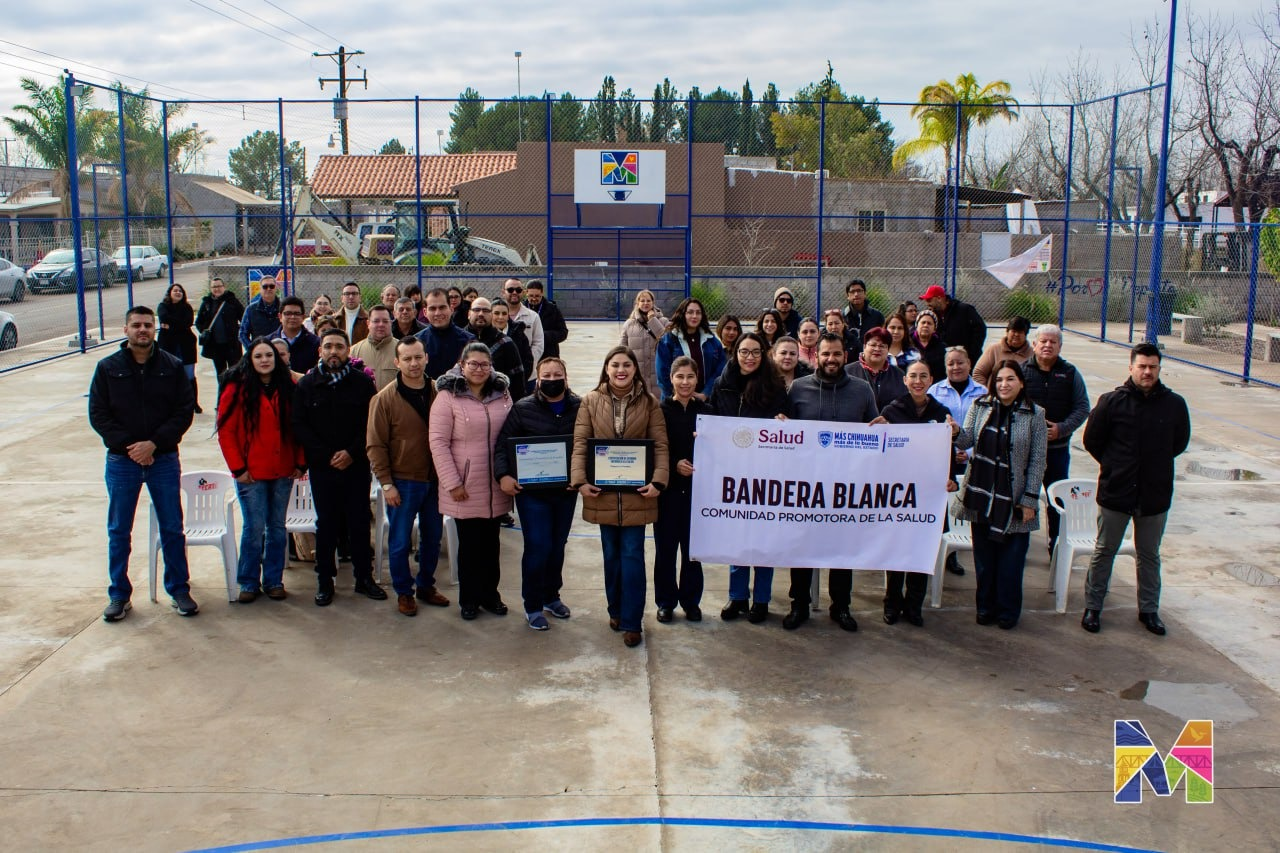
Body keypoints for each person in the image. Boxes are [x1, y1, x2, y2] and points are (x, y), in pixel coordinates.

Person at [89, 306, 198, 621]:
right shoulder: (107, 368)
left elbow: (184, 410)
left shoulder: (173, 366)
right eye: (136, 325)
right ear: (125, 330)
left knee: (172, 528)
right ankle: (119, 595)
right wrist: (131, 447)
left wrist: (154, 444)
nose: (142, 330)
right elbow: (99, 414)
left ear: (155, 329)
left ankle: (179, 589)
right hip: (122, 461)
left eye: (147, 325)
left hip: (163, 458)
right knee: (119, 530)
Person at [1081, 343, 1191, 636]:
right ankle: (1093, 607)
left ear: (1159, 369)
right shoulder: (1111, 402)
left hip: (1154, 494)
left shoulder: (1174, 405)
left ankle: (1149, 610)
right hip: (1116, 492)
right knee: (1105, 550)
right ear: (1131, 368)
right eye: (1141, 366)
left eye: (1152, 367)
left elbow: (1179, 443)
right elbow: (1092, 440)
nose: (1147, 372)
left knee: (1149, 554)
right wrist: (1116, 466)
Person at [571, 346, 670, 648]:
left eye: (626, 364)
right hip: (602, 493)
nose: (620, 370)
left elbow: (661, 445)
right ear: (606, 369)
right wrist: (579, 481)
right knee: (611, 557)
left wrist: (658, 482)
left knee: (631, 556)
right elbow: (580, 443)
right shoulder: (589, 401)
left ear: (635, 369)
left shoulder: (650, 403)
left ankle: (631, 620)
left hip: (637, 496)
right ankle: (615, 610)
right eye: (615, 365)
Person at [783, 332, 878, 632]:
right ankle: (799, 605)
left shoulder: (862, 390)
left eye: (836, 354)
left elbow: (875, 433)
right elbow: (785, 434)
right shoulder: (798, 388)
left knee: (841, 549)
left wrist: (884, 429)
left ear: (845, 356)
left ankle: (841, 607)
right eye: (826, 354)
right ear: (816, 355)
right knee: (801, 548)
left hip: (845, 487)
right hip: (806, 485)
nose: (831, 359)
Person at [292, 328, 386, 607]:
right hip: (323, 468)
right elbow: (300, 425)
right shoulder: (307, 385)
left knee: (358, 523)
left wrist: (350, 453)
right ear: (320, 350)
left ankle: (363, 579)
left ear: (348, 351)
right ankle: (324, 581)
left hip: (356, 467)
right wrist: (326, 455)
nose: (334, 351)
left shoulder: (361, 384)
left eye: (339, 347)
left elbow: (370, 425)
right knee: (327, 525)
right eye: (328, 346)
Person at [953, 361, 1048, 630]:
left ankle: (1007, 610)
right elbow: (966, 441)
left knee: (1011, 563)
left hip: (1015, 500)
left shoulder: (1035, 414)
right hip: (981, 495)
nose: (1004, 385)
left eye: (1010, 379)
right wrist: (956, 431)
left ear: (1020, 382)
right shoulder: (980, 406)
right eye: (999, 380)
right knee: (984, 561)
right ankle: (985, 607)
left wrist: (1030, 498)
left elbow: (1038, 459)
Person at [709, 331, 793, 623]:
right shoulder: (723, 384)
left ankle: (761, 600)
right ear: (736, 354)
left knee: (763, 540)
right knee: (737, 539)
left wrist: (784, 421)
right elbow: (713, 417)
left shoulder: (775, 386)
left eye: (755, 352)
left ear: (764, 354)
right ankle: (738, 597)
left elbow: (789, 422)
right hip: (733, 474)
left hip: (766, 474)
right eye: (744, 352)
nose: (749, 357)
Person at [366, 335, 451, 618]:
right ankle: (404, 591)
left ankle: (426, 584)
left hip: (435, 479)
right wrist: (386, 483)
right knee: (400, 540)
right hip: (403, 480)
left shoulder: (440, 392)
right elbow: (375, 445)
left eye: (418, 357)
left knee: (432, 537)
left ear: (426, 358)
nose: (414, 363)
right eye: (407, 359)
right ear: (397, 362)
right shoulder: (384, 399)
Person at [494, 357, 581, 630]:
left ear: (566, 378)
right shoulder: (522, 408)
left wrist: (581, 477)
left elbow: (588, 445)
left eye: (557, 374)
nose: (552, 379)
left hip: (566, 491)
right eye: (547, 375)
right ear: (538, 378)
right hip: (532, 493)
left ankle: (551, 596)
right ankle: (532, 605)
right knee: (537, 547)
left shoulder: (581, 407)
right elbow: (501, 446)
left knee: (557, 546)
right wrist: (504, 475)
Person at [429, 342, 514, 620]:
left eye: (485, 364)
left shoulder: (502, 393)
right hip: (465, 484)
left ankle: (491, 595)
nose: (479, 369)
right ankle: (469, 599)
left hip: (496, 482)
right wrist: (453, 482)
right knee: (469, 545)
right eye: (473, 364)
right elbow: (438, 442)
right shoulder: (447, 396)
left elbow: (512, 433)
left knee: (492, 543)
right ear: (462, 365)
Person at [216, 338, 305, 603]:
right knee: (254, 528)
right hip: (250, 473)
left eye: (269, 355)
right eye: (258, 356)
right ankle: (248, 581)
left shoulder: (289, 386)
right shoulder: (236, 387)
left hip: (283, 470)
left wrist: (300, 462)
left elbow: (299, 427)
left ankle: (274, 580)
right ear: (250, 360)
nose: (265, 360)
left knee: (277, 527)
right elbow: (226, 432)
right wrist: (238, 468)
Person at [874, 360, 957, 627]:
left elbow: (947, 451)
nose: (918, 381)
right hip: (898, 495)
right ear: (905, 380)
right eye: (913, 376)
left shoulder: (941, 412)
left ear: (931, 379)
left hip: (928, 496)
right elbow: (879, 453)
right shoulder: (892, 410)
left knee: (921, 553)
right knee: (897, 552)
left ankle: (914, 606)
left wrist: (951, 478)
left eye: (923, 376)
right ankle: (892, 604)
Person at [1022, 324, 1089, 558]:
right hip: (1026, 453)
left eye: (1053, 342)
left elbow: (1082, 408)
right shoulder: (1022, 371)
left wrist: (1061, 429)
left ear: (1060, 346)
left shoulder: (1070, 373)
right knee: (1023, 499)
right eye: (1044, 341)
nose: (1048, 345)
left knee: (1057, 501)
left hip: (1057, 451)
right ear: (1035, 344)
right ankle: (1019, 547)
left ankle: (1057, 549)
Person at [653, 356, 711, 624]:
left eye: (690, 377)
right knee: (666, 550)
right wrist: (673, 464)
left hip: (698, 493)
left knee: (693, 551)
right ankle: (665, 602)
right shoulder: (660, 411)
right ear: (671, 379)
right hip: (669, 493)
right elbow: (653, 448)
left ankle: (691, 601)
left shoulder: (707, 411)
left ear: (696, 379)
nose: (685, 382)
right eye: (680, 377)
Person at [655, 297, 727, 401]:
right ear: (683, 314)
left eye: (698, 313)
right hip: (675, 402)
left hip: (705, 402)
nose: (694, 316)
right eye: (690, 312)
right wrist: (679, 396)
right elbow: (662, 374)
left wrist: (705, 393)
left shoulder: (712, 341)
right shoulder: (668, 340)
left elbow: (720, 370)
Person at [464, 297, 526, 401]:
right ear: (469, 314)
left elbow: (517, 382)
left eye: (485, 310)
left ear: (491, 315)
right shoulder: (458, 340)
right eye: (476, 310)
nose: (480, 314)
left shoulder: (506, 343)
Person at [196, 277, 245, 392]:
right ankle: (223, 398)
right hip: (216, 346)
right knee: (220, 373)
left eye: (219, 286)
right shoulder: (207, 303)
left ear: (224, 287)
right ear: (211, 289)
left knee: (236, 372)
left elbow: (243, 317)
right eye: (214, 287)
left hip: (232, 345)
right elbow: (199, 322)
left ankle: (236, 396)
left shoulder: (232, 301)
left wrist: (240, 332)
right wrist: (204, 331)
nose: (217, 289)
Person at [157, 283, 200, 413]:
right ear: (169, 293)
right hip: (168, 345)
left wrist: (171, 325)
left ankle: (194, 403)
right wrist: (179, 325)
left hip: (185, 346)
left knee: (189, 376)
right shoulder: (163, 306)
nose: (178, 293)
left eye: (180, 291)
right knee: (168, 376)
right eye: (175, 290)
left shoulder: (187, 307)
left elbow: (188, 322)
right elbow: (164, 318)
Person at [416, 288, 475, 380]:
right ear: (425, 312)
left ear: (451, 309)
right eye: (432, 308)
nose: (437, 313)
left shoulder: (468, 341)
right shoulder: (417, 341)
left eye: (442, 307)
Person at [919, 284, 986, 365]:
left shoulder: (964, 309)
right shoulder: (933, 315)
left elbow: (980, 330)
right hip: (945, 362)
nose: (927, 303)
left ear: (939, 298)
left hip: (968, 361)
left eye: (929, 300)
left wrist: (971, 354)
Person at [845, 326, 906, 411]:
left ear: (888, 349)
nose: (877, 349)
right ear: (864, 347)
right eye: (873, 345)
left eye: (882, 346)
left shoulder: (899, 375)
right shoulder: (847, 372)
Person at [619, 289, 668, 393]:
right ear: (637, 303)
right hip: (637, 374)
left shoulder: (663, 321)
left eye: (648, 301)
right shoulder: (629, 324)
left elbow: (666, 341)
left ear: (653, 303)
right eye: (642, 301)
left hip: (658, 374)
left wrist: (652, 320)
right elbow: (622, 350)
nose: (646, 303)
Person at [974, 316, 1033, 388]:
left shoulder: (1033, 354)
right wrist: (986, 393)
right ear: (1007, 332)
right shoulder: (994, 349)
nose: (1016, 335)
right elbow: (978, 373)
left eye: (1020, 332)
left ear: (1026, 334)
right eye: (1013, 331)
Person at [350, 304, 398, 390]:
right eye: (376, 321)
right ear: (368, 323)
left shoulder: (401, 349)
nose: (381, 325)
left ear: (391, 323)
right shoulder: (354, 350)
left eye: (385, 321)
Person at [270, 296, 320, 373]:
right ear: (280, 316)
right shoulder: (269, 343)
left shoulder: (315, 343)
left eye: (297, 314)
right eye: (288, 313)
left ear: (303, 317)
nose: (292, 317)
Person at [491, 300, 534, 390]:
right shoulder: (483, 335)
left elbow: (527, 361)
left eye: (504, 314)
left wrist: (518, 382)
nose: (500, 317)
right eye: (496, 313)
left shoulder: (518, 333)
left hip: (514, 387)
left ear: (508, 316)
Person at [503, 278, 545, 366]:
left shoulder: (533, 317)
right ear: (503, 292)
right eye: (510, 290)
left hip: (527, 373)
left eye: (518, 290)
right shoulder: (493, 315)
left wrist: (527, 362)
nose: (514, 292)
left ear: (523, 292)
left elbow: (538, 343)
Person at [525, 280, 568, 358]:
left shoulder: (552, 309)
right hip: (526, 355)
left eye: (537, 296)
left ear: (542, 293)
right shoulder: (521, 309)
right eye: (531, 296)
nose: (534, 299)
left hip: (548, 354)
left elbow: (563, 333)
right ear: (526, 293)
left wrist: (543, 335)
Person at [238, 276, 280, 348]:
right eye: (265, 286)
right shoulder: (251, 310)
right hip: (260, 352)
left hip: (279, 351)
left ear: (276, 288)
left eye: (271, 286)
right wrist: (252, 350)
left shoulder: (283, 308)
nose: (268, 289)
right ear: (260, 289)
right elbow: (242, 334)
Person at [913, 308, 946, 383]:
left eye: (929, 323)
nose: (926, 325)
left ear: (934, 328)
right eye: (923, 322)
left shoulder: (941, 347)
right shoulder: (909, 344)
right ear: (917, 326)